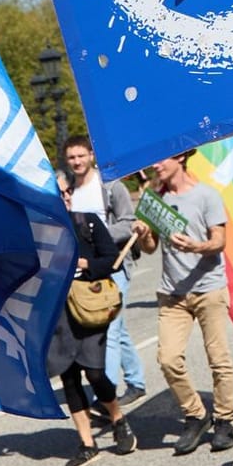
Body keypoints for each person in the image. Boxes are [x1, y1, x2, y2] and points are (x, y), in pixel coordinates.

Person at [132, 152, 233, 455]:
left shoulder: (207, 195)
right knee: (167, 359)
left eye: (160, 160)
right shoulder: (154, 198)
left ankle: (225, 420)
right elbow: (151, 247)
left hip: (208, 289)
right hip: (172, 294)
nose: (155, 164)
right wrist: (143, 234)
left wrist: (197, 246)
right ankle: (195, 415)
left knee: (218, 358)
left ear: (179, 158)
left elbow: (219, 241)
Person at [50, 186, 137, 466]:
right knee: (70, 377)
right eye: (54, 193)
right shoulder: (38, 232)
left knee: (96, 372)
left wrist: (87, 264)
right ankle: (87, 444)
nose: (62, 197)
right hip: (57, 313)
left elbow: (111, 259)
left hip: (89, 308)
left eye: (65, 192)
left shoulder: (85, 221)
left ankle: (117, 418)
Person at [62, 136, 142, 403]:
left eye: (81, 156)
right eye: (72, 157)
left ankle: (103, 398)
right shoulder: (69, 191)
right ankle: (136, 378)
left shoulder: (110, 187)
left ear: (91, 156)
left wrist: (99, 234)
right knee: (114, 326)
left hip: (114, 263)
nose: (76, 162)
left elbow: (129, 222)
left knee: (109, 331)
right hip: (86, 273)